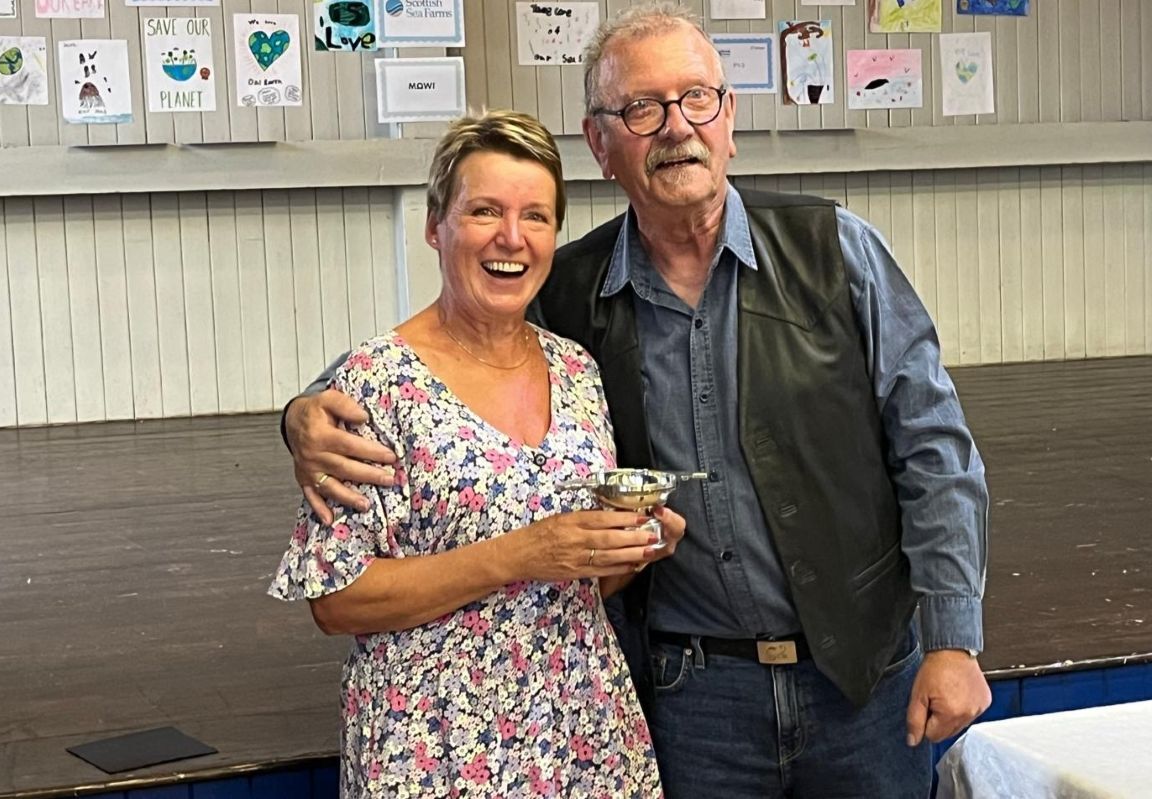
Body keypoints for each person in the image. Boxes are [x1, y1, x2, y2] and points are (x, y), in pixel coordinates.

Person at [282, 5, 992, 797]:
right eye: (642, 109)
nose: (675, 128)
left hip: (861, 683)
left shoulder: (838, 250)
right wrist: (302, 410)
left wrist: (953, 639)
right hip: (693, 700)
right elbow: (425, 355)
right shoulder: (572, 291)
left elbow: (933, 445)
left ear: (729, 118)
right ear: (601, 144)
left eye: (697, 99)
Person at [270, 109, 680, 798]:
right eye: (484, 210)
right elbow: (336, 599)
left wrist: (624, 551)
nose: (512, 238)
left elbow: (572, 579)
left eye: (537, 216)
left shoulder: (576, 369)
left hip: (583, 732)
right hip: (435, 747)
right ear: (436, 225)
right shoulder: (377, 383)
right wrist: (521, 553)